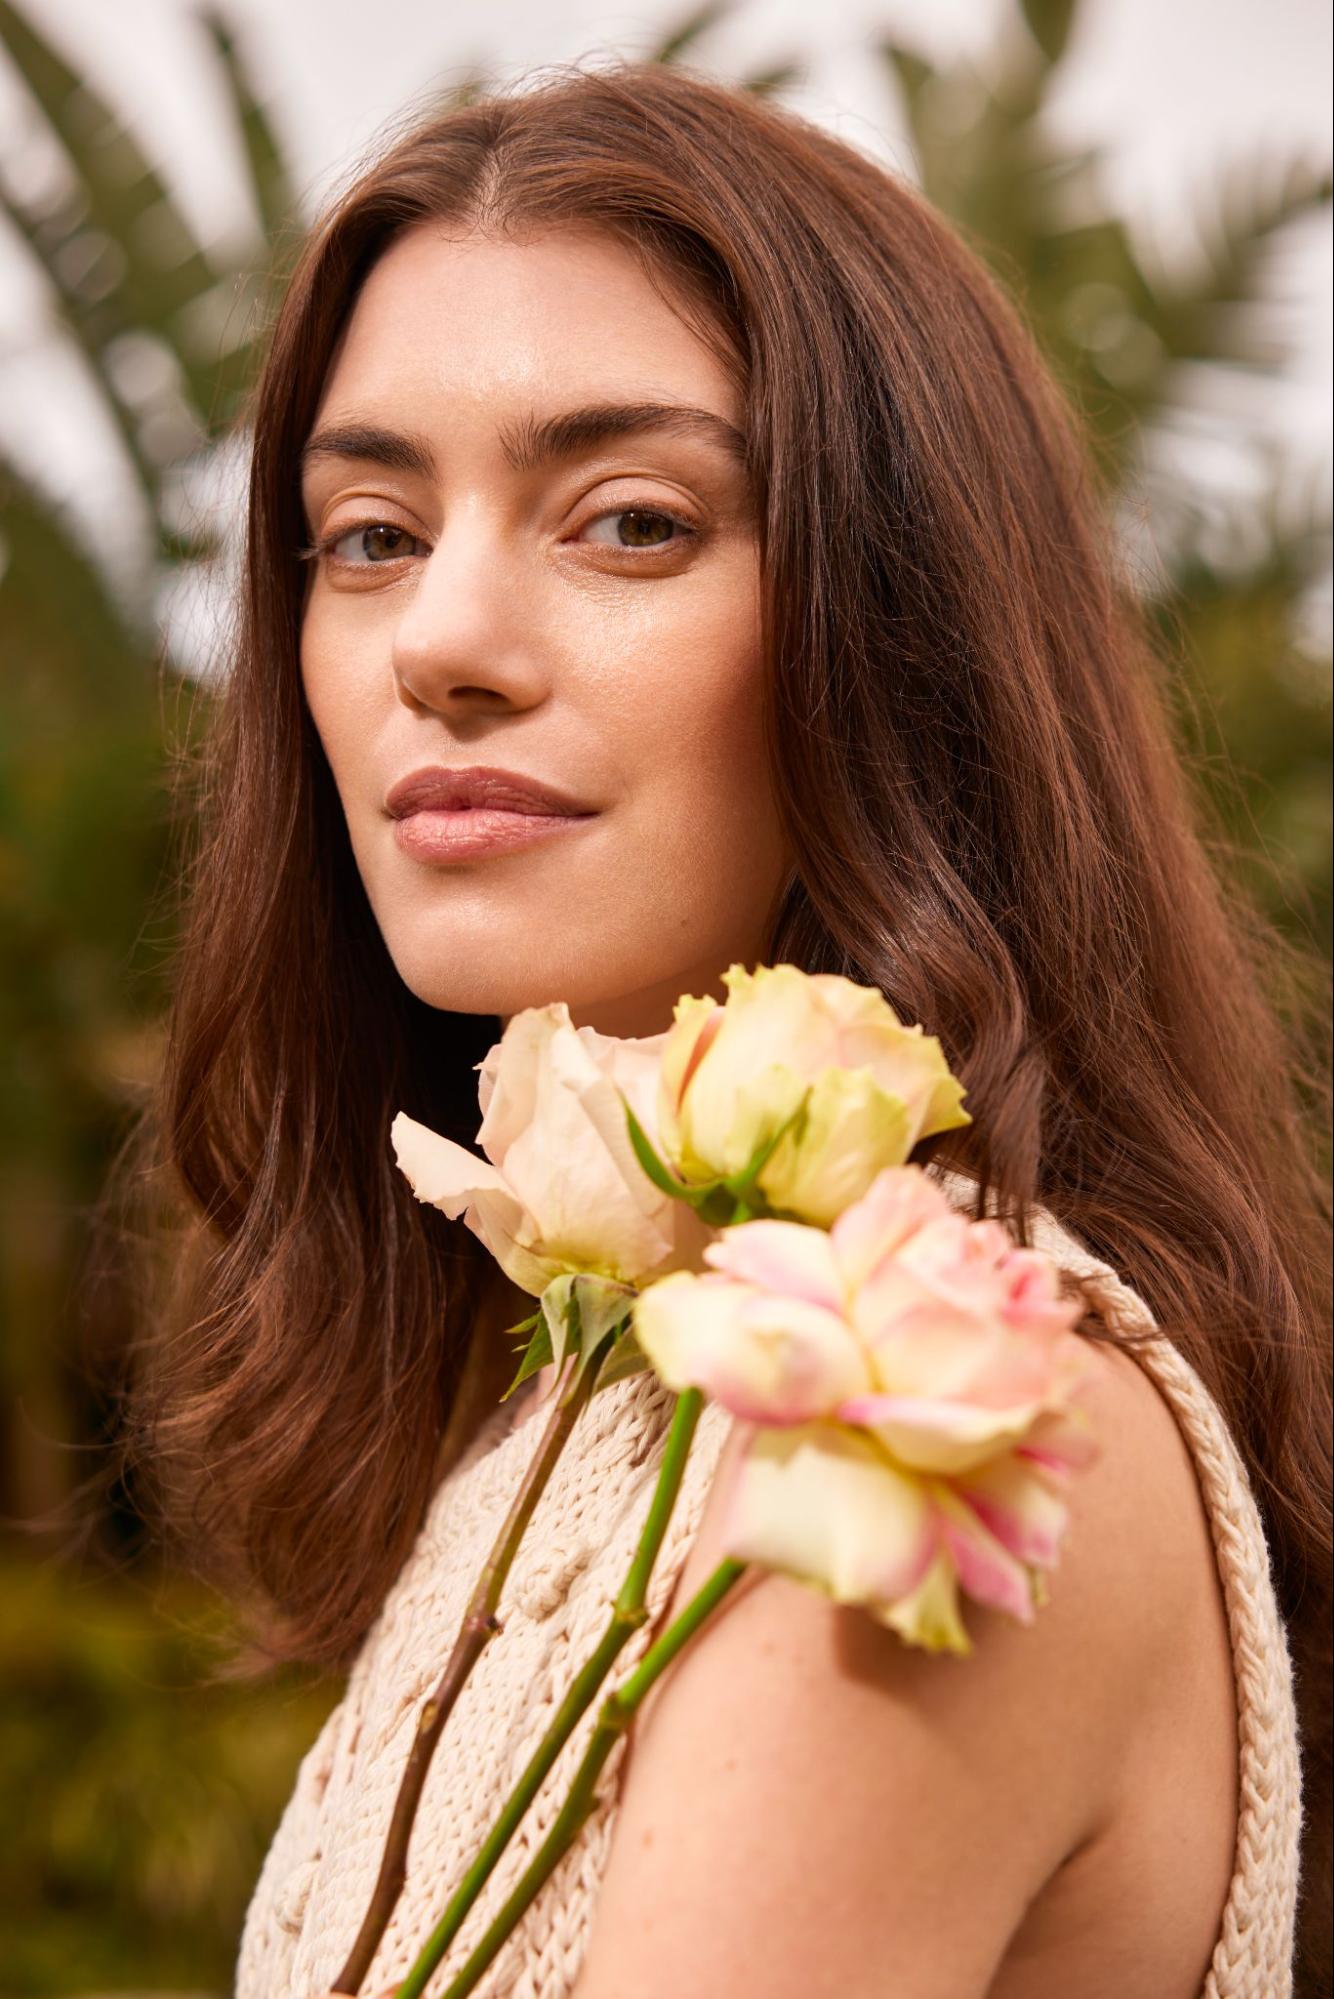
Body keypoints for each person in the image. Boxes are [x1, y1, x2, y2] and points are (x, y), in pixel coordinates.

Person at [126, 60, 1330, 1999]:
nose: (440, 636)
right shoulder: (605, 1371)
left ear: (901, 620)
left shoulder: (931, 1406)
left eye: (625, 521)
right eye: (367, 534)